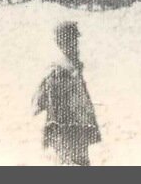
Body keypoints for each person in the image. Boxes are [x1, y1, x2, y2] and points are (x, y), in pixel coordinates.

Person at [32, 21, 101, 165]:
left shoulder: (73, 67)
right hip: (66, 130)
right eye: (72, 41)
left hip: (78, 128)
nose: (76, 45)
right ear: (63, 43)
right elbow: (43, 103)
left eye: (75, 41)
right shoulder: (59, 70)